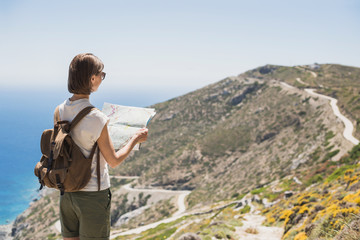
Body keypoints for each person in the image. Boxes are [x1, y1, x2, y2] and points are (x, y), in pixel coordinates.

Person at [58, 53, 148, 240]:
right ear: (92, 78)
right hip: (92, 195)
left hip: (67, 192)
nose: (102, 78)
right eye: (102, 74)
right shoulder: (97, 118)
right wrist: (135, 139)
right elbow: (113, 161)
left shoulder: (59, 110)